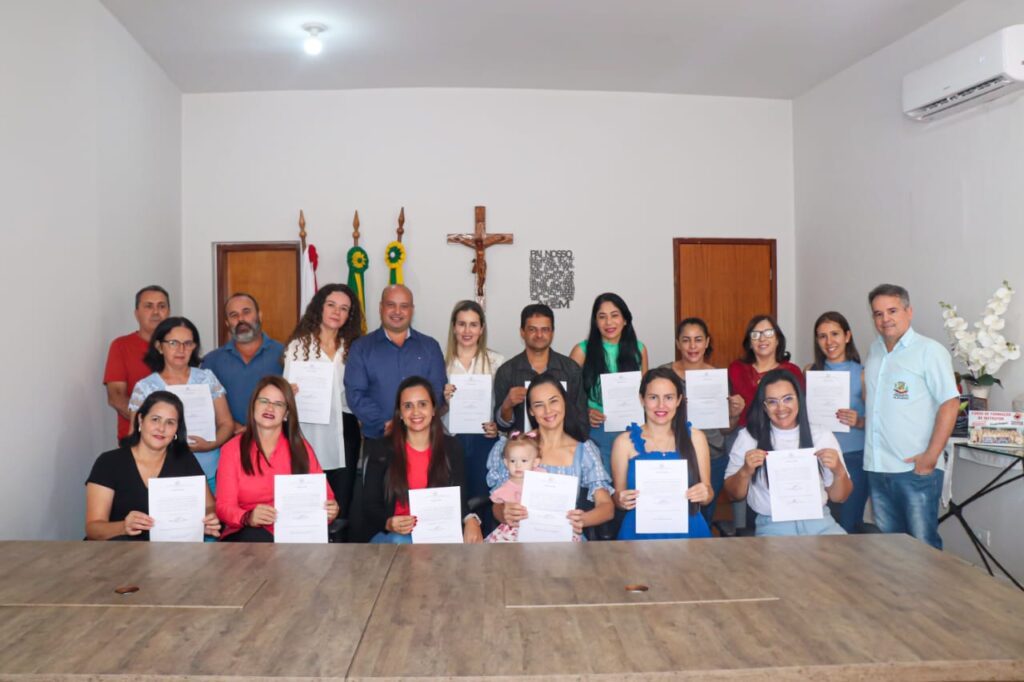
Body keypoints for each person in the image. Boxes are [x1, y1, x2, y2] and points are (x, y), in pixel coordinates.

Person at [864, 284, 959, 549]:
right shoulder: (874, 351)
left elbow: (950, 403)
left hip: (914, 469)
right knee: (889, 549)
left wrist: (930, 457)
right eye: (878, 313)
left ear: (909, 311)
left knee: (923, 547)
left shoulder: (929, 351)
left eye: (892, 311)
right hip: (878, 467)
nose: (885, 319)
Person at [355, 376, 483, 544]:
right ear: (400, 414)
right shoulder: (381, 449)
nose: (416, 412)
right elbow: (370, 506)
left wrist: (470, 519)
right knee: (402, 542)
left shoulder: (452, 447)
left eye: (422, 404)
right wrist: (388, 523)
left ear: (434, 409)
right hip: (394, 537)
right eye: (408, 406)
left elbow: (459, 498)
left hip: (438, 536)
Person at [724, 369, 851, 536]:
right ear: (764, 407)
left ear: (799, 399)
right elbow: (733, 495)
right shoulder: (749, 437)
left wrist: (839, 471)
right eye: (772, 402)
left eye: (788, 399)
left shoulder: (821, 435)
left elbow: (839, 497)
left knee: (847, 553)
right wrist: (745, 471)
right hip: (773, 527)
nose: (781, 408)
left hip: (821, 523)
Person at [487, 373, 614, 539]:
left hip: (565, 537)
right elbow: (497, 503)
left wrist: (583, 519)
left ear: (564, 402)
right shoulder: (515, 446)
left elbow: (606, 507)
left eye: (553, 401)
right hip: (518, 537)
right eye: (539, 405)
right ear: (531, 411)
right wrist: (504, 513)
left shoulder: (584, 450)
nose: (548, 411)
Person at [215, 377, 339, 542]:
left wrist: (331, 510)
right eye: (264, 401)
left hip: (295, 531)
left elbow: (325, 498)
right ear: (253, 406)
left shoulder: (301, 448)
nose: (270, 408)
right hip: (248, 533)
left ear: (286, 413)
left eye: (279, 404)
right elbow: (224, 507)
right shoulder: (231, 449)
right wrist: (248, 517)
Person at [85, 391, 219, 541]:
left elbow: (209, 505)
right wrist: (123, 527)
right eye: (155, 419)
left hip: (170, 550)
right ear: (141, 420)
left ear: (177, 429)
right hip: (119, 550)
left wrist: (208, 519)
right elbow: (93, 529)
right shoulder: (109, 462)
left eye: (170, 422)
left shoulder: (185, 460)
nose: (161, 428)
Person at [284, 284, 363, 520]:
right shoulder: (298, 347)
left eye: (344, 308)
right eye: (331, 305)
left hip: (344, 429)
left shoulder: (355, 348)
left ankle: (339, 542)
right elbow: (284, 393)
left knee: (340, 502)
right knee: (307, 502)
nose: (337, 312)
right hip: (306, 429)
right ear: (320, 307)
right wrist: (288, 392)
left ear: (349, 315)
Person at [128, 317, 234, 491]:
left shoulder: (206, 378)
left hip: (212, 472)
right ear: (159, 346)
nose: (181, 349)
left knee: (213, 509)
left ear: (194, 347)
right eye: (173, 343)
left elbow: (226, 423)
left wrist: (210, 444)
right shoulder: (145, 387)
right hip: (164, 476)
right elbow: (134, 435)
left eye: (188, 343)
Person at [611, 368, 714, 539]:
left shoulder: (696, 438)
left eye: (669, 397)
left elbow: (708, 493)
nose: (661, 405)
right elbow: (617, 498)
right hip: (639, 532)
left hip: (689, 530)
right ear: (642, 399)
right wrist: (621, 500)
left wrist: (704, 494)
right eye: (653, 397)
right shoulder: (624, 442)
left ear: (679, 400)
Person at [662, 317, 745, 524]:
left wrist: (734, 414)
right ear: (677, 343)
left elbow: (725, 430)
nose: (692, 346)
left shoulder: (717, 378)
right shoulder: (664, 375)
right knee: (671, 514)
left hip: (712, 456)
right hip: (673, 454)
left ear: (707, 342)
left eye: (698, 340)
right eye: (686, 340)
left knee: (703, 517)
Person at [344, 285, 447, 439]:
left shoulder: (430, 347)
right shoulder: (361, 348)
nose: (397, 311)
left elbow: (437, 390)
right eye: (391, 305)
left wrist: (415, 422)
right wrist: (385, 424)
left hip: (424, 439)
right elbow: (355, 394)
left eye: (404, 306)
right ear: (381, 308)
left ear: (412, 310)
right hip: (379, 438)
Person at [441, 300, 504, 532]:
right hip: (449, 441)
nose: (467, 331)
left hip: (484, 441)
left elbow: (504, 409)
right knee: (453, 498)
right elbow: (430, 413)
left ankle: (485, 545)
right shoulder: (441, 363)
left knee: (484, 498)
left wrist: (497, 426)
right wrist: (444, 402)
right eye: (462, 324)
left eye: (473, 325)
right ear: (453, 327)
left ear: (482, 328)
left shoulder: (497, 362)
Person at [569, 293, 649, 472]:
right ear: (595, 321)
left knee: (631, 480)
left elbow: (647, 392)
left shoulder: (639, 349)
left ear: (625, 319)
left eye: (614, 315)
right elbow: (566, 394)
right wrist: (586, 412)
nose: (609, 322)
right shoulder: (581, 350)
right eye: (602, 317)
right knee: (602, 479)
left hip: (632, 427)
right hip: (596, 428)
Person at [804, 311, 868, 533]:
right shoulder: (809, 371)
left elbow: (879, 422)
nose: (829, 341)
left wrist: (859, 421)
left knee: (846, 526)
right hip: (817, 457)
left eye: (835, 334)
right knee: (819, 524)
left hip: (852, 457)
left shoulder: (862, 374)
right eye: (822, 336)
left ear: (847, 336)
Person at [493, 303, 589, 437]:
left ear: (552, 332)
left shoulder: (570, 369)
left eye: (545, 329)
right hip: (522, 448)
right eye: (532, 329)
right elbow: (502, 426)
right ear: (522, 332)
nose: (539, 335)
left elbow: (581, 419)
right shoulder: (506, 371)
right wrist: (507, 405)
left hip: (562, 446)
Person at [201, 293, 284, 432]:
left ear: (259, 316)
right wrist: (234, 427)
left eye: (246, 312)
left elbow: (293, 401)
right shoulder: (211, 361)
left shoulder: (285, 355)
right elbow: (205, 405)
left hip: (273, 437)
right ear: (227, 323)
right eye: (234, 315)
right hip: (228, 439)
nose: (241, 319)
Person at [103, 285, 171, 442]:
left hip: (175, 439)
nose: (156, 312)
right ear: (136, 313)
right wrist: (151, 425)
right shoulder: (121, 346)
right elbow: (116, 397)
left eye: (161, 306)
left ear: (168, 312)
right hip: (136, 439)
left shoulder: (180, 347)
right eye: (148, 306)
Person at [728, 314, 805, 427]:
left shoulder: (792, 371)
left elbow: (801, 411)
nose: (762, 339)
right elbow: (725, 422)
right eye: (755, 335)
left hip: (782, 431)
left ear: (777, 340)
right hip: (743, 431)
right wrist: (734, 414)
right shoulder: (736, 369)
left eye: (768, 333)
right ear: (750, 343)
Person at [485, 433, 559, 543]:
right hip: (515, 528)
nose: (518, 465)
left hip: (542, 525)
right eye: (513, 461)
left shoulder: (542, 477)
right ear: (506, 462)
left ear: (535, 462)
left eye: (524, 461)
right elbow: (497, 508)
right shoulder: (504, 489)